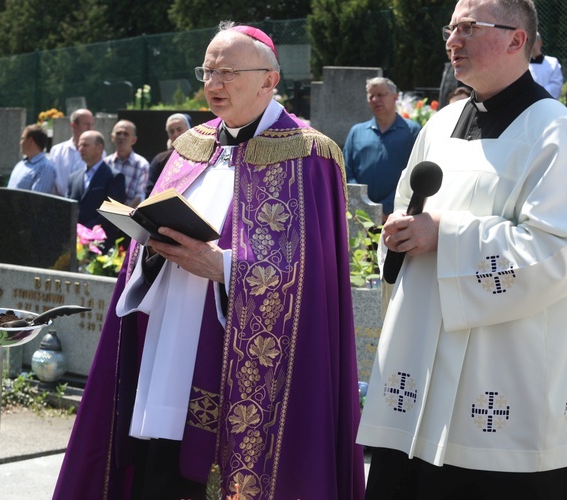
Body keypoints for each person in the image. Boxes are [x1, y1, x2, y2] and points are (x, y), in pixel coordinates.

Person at [53, 21, 364, 500]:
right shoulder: (190, 146)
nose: (213, 85)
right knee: (159, 466)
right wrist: (147, 244)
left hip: (237, 355)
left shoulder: (310, 154)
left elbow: (313, 278)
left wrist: (223, 268)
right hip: (166, 340)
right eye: (208, 72)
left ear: (269, 79)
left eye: (228, 73)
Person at [358, 1, 567, 498]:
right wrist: (400, 235)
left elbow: (559, 249)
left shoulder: (555, 131)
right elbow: (405, 211)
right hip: (417, 370)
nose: (452, 41)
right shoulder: (440, 123)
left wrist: (446, 235)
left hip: (501, 377)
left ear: (517, 40)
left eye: (468, 28)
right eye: (450, 29)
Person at [343, 77, 421, 222]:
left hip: (397, 214)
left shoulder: (412, 131)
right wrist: (360, 204)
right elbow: (346, 170)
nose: (375, 99)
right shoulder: (357, 132)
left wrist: (386, 207)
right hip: (359, 216)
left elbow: (414, 172)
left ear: (395, 97)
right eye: (371, 96)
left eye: (380, 95)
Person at [66, 130, 126, 246]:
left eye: (85, 145)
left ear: (99, 148)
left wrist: (88, 232)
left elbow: (111, 212)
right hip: (74, 242)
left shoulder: (114, 177)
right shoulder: (73, 178)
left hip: (100, 243)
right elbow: (68, 209)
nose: (81, 149)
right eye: (79, 145)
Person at [144, 113, 191, 198]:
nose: (176, 134)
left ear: (189, 129)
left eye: (179, 129)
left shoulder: (203, 155)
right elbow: (150, 192)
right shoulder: (160, 160)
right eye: (171, 131)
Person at [50, 108, 95, 197]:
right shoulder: (57, 151)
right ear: (74, 126)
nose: (90, 128)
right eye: (86, 124)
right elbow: (51, 179)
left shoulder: (98, 152)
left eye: (92, 124)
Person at [104, 119, 148, 207]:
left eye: (126, 134)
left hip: (128, 217)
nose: (121, 137)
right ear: (112, 137)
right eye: (118, 133)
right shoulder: (106, 162)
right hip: (104, 216)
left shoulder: (142, 165)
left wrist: (122, 215)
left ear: (134, 140)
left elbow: (140, 196)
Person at [7, 124, 57, 193]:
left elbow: (36, 200)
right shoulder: (20, 165)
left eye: (23, 139)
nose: (20, 143)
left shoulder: (46, 168)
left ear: (31, 141)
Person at [528, 31, 563, 99]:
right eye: (528, 41)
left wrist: (536, 94)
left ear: (540, 43)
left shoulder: (553, 62)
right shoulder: (522, 64)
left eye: (533, 41)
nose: (530, 44)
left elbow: (556, 86)